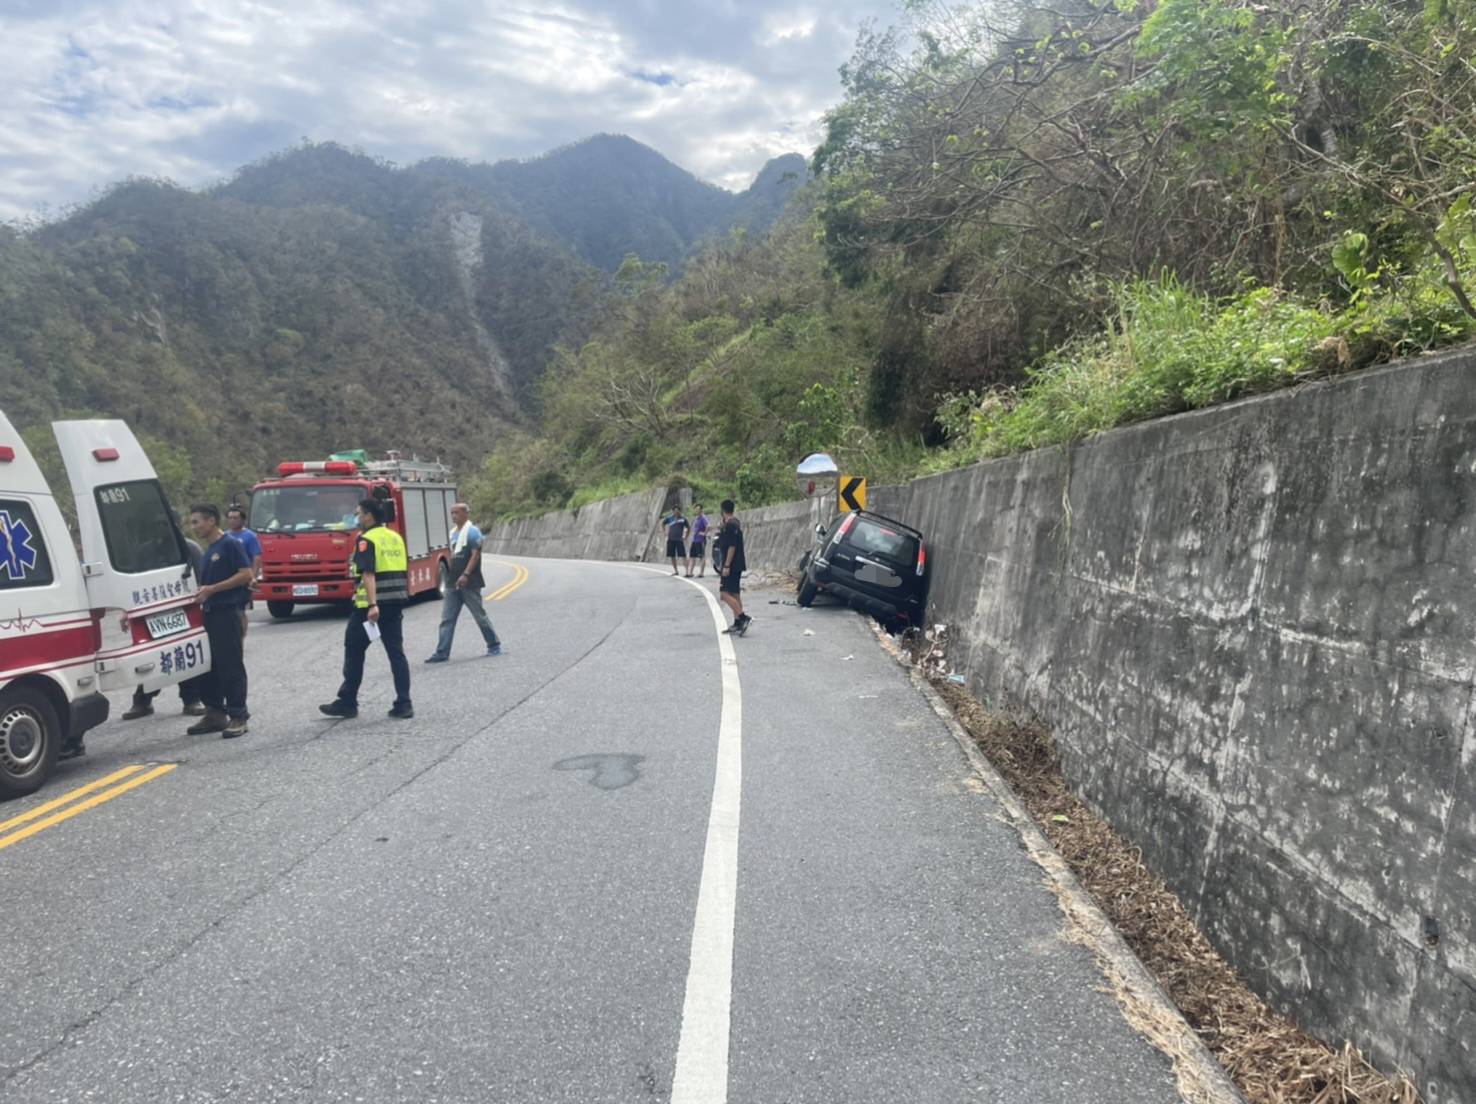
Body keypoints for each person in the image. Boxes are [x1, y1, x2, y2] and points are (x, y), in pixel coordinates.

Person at [320, 497, 413, 720]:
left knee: (353, 650)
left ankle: (348, 701)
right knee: (396, 654)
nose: (357, 517)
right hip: (395, 602)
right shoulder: (395, 537)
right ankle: (404, 703)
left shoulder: (366, 540)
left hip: (370, 608)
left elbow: (369, 574)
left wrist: (372, 605)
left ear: (369, 515)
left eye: (359, 513)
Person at [122, 534, 208, 722]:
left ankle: (192, 699)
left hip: (182, 608)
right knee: (152, 657)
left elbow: (202, 579)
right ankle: (142, 700)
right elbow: (134, 583)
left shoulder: (190, 548)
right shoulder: (145, 550)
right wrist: (127, 611)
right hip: (154, 611)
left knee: (185, 654)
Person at [188, 504, 254, 738]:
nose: (193, 527)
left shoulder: (229, 545)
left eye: (197, 522)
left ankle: (238, 715)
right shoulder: (209, 550)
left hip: (227, 612)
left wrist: (213, 589)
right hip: (209, 614)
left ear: (212, 521)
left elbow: (246, 574)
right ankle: (215, 713)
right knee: (208, 666)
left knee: (230, 665)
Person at [425, 502, 503, 663]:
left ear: (466, 514)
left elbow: (476, 554)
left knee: (479, 616)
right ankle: (442, 652)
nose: (454, 516)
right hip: (452, 583)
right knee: (447, 619)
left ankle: (494, 644)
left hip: (470, 582)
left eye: (457, 513)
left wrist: (466, 574)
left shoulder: (473, 532)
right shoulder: (453, 533)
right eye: (452, 513)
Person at [225, 506, 262, 637]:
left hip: (244, 579)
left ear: (242, 520)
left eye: (236, 518)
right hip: (229, 579)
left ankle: (241, 637)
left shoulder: (250, 536)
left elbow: (256, 556)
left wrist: (253, 576)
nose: (232, 520)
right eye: (230, 518)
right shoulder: (225, 535)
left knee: (240, 610)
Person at [717, 499, 750, 635]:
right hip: (738, 564)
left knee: (724, 594)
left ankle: (743, 617)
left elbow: (731, 546)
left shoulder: (730, 526)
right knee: (735, 593)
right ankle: (737, 623)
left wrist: (726, 565)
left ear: (723, 510)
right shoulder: (734, 523)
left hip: (731, 564)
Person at [686, 504, 710, 578]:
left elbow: (708, 526)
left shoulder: (703, 518)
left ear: (701, 510)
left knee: (701, 557)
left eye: (698, 509)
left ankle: (701, 573)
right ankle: (690, 573)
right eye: (696, 509)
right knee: (692, 556)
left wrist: (704, 533)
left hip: (700, 540)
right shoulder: (697, 518)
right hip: (695, 540)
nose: (697, 510)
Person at [665, 505, 689, 576]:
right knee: (672, 556)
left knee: (683, 555)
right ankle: (676, 571)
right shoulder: (669, 518)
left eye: (678, 511)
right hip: (671, 539)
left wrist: (686, 536)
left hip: (679, 540)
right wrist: (665, 533)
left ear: (680, 511)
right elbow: (662, 524)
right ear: (673, 512)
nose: (676, 513)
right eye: (675, 511)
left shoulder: (683, 519)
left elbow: (688, 527)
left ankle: (687, 571)